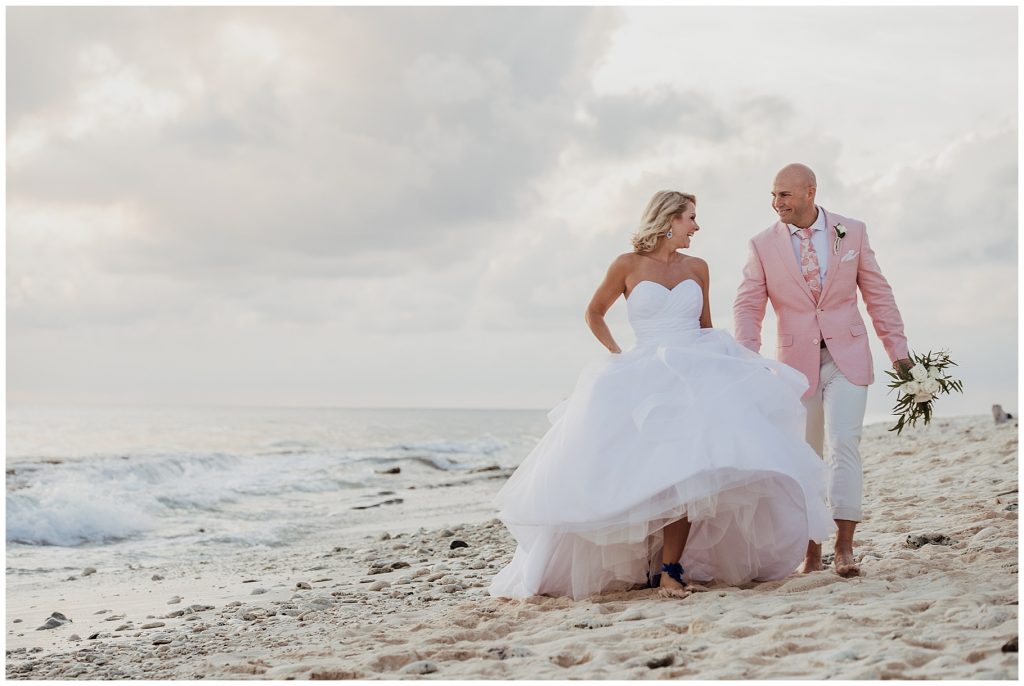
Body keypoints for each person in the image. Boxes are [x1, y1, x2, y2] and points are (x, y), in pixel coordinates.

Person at [489, 190, 835, 601]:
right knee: (645, 470)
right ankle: (648, 564)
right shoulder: (627, 264)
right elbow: (594, 312)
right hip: (644, 374)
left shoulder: (698, 267)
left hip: (695, 373)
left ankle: (672, 567)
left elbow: (706, 325)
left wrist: (729, 365)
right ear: (669, 219)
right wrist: (617, 354)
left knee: (690, 470)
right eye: (691, 217)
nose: (696, 226)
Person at [733, 163, 911, 578]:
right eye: (774, 195)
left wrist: (898, 352)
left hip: (848, 356)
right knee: (808, 456)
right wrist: (747, 357)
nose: (776, 203)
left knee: (844, 444)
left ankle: (845, 546)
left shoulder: (852, 231)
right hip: (796, 366)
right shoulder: (762, 245)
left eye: (784, 195)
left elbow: (878, 293)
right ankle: (811, 550)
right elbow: (747, 305)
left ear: (810, 192)